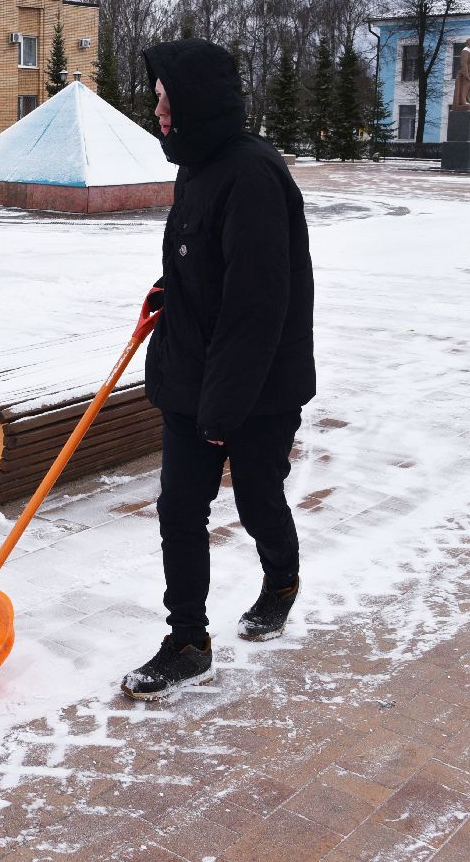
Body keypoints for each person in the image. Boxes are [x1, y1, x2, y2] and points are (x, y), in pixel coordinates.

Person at [121, 38, 317, 701]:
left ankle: (281, 581)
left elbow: (255, 308)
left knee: (258, 500)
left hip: (255, 389)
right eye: (156, 99)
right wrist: (167, 289)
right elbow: (201, 261)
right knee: (180, 508)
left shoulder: (253, 176)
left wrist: (221, 413)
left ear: (194, 103)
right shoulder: (197, 169)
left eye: (164, 99)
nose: (157, 110)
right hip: (193, 374)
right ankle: (187, 641)